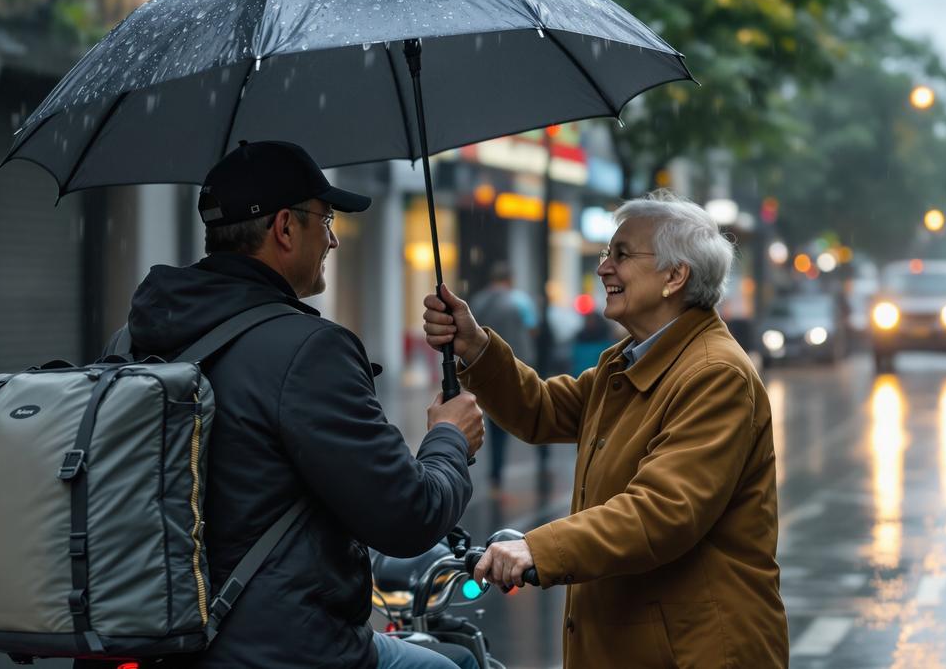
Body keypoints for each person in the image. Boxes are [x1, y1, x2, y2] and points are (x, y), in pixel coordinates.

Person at [125, 140, 484, 669]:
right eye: (327, 218)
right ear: (285, 228)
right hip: (282, 649)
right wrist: (449, 438)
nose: (334, 239)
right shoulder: (308, 350)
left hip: (156, 637)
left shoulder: (135, 337)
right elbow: (409, 516)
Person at [423, 190, 789, 668]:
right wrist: (475, 346)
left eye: (621, 254)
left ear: (674, 276)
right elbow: (541, 409)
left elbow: (661, 511)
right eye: (605, 253)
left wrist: (537, 548)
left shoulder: (713, 374)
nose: (603, 268)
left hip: (696, 652)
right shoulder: (629, 360)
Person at [468, 261, 537, 491]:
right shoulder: (519, 301)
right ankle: (501, 469)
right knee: (506, 419)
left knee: (487, 417)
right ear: (510, 279)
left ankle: (492, 472)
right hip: (512, 367)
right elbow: (532, 328)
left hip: (481, 369)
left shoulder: (478, 301)